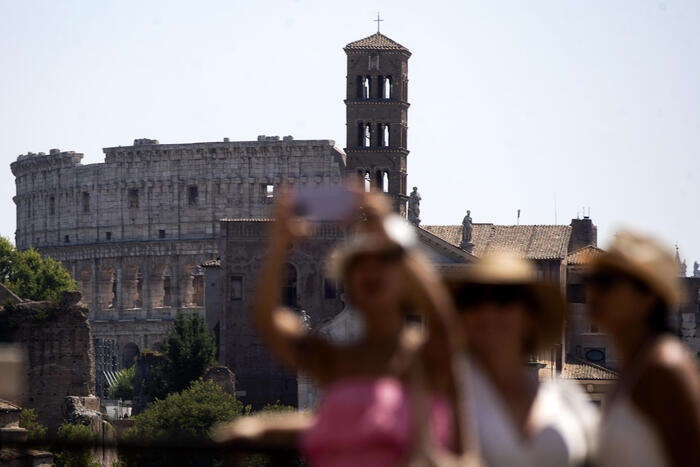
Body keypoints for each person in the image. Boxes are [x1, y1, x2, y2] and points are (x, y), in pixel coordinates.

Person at [250, 189, 469, 466]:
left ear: (403, 281)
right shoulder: (336, 358)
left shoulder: (425, 355)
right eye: (358, 266)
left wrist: (392, 238)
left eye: (382, 265)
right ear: (347, 286)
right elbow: (269, 322)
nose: (370, 272)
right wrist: (280, 245)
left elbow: (444, 317)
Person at [445, 253, 598, 467]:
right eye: (473, 299)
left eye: (504, 298)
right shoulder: (443, 391)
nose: (487, 311)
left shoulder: (565, 395)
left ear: (530, 315)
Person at [585, 231, 700, 467]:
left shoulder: (665, 368)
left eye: (606, 282)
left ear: (646, 295)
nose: (593, 293)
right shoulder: (635, 368)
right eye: (591, 280)